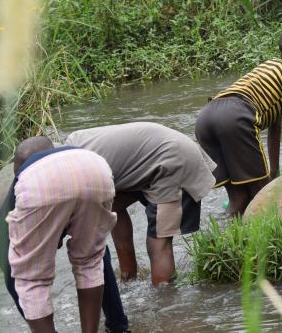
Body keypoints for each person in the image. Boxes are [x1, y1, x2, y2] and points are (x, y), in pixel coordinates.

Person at [196, 23, 282, 217]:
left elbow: (275, 127)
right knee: (264, 198)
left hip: (206, 117)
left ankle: (226, 237)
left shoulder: (272, 66)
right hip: (235, 116)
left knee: (239, 200)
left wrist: (274, 173)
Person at [65, 122, 216, 287]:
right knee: (114, 207)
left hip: (172, 160)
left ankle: (165, 301)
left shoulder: (77, 173)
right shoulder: (75, 145)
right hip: (158, 154)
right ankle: (129, 279)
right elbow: (113, 211)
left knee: (158, 240)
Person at [0, 137, 117, 333]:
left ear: (17, 170)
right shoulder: (71, 153)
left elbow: (10, 272)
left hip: (40, 186)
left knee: (31, 280)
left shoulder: (17, 188)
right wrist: (119, 324)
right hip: (95, 167)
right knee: (90, 261)